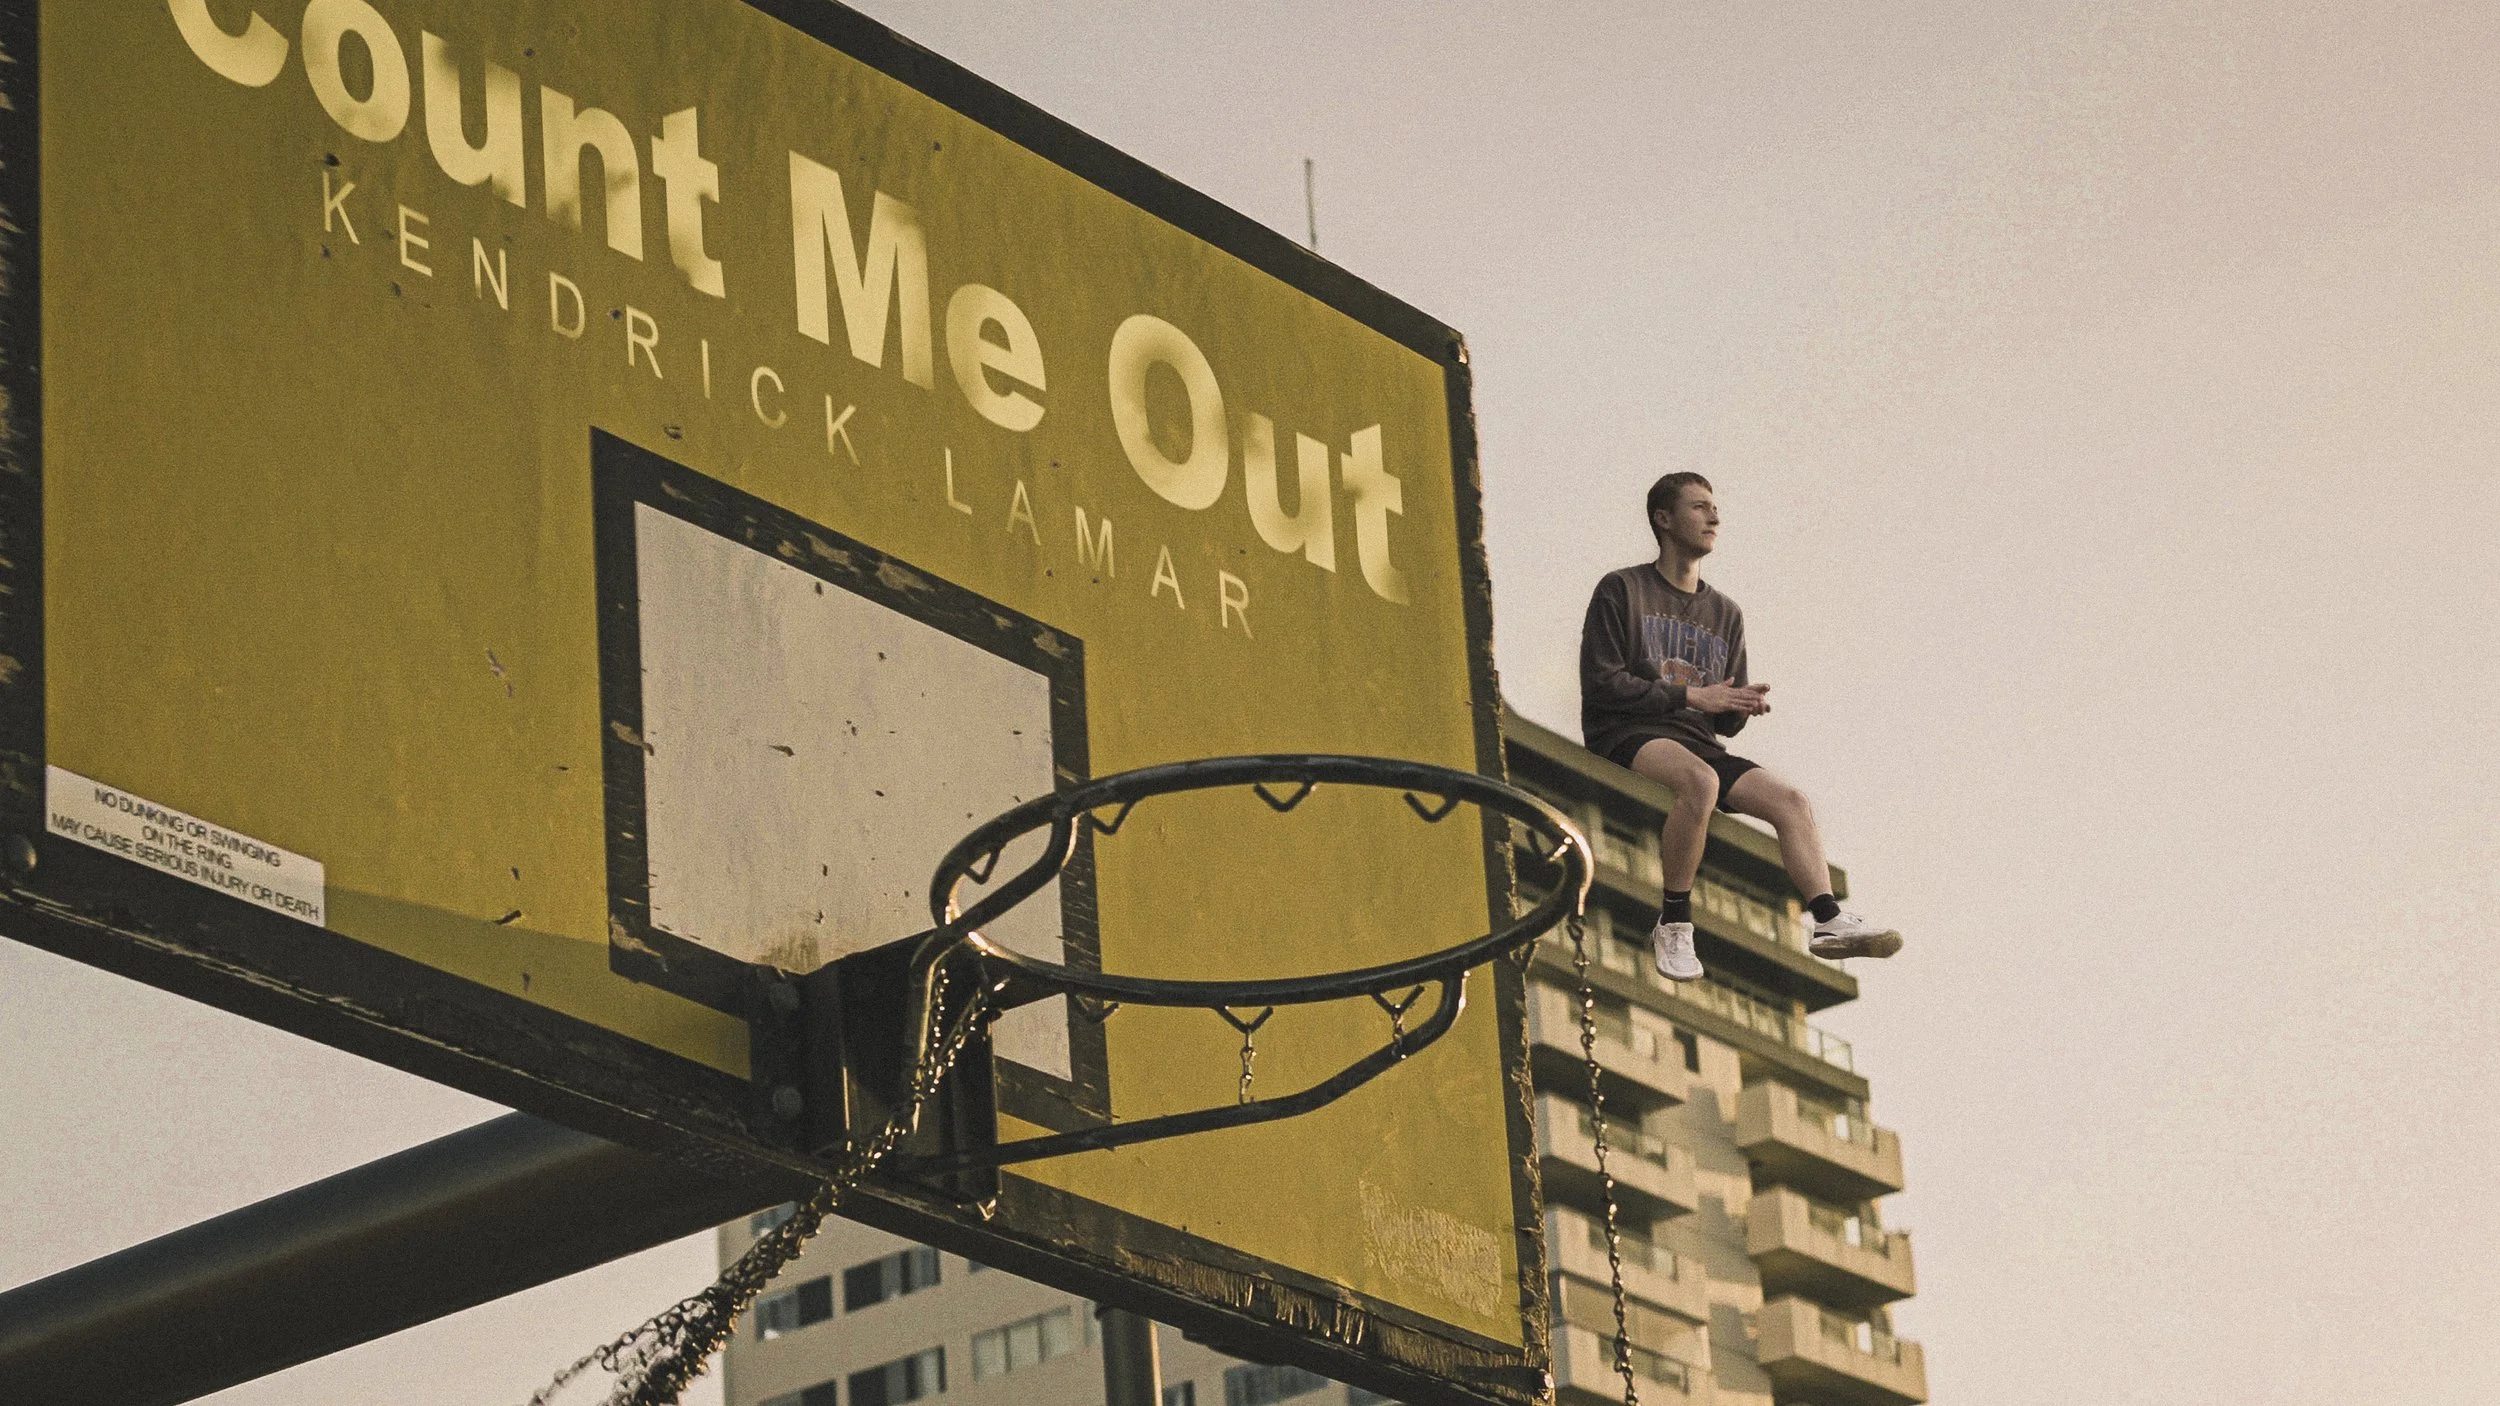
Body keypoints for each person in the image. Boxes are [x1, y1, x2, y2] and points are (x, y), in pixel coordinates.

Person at [1579, 471, 1901, 981]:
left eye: (1715, 507)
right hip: (1625, 728)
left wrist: (1737, 704)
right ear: (1663, 519)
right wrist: (1690, 695)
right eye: (1699, 507)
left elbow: (1723, 720)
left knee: (1791, 801)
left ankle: (1827, 919)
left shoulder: (1724, 612)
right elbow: (1601, 684)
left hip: (1697, 740)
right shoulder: (1623, 589)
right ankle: (1675, 923)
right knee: (1700, 783)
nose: (1714, 517)